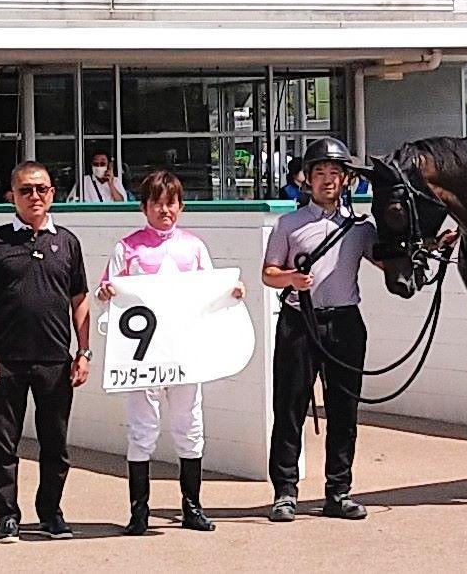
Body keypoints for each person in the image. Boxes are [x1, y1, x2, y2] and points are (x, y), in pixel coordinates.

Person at [96, 170, 245, 536]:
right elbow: (108, 292)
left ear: (181, 206)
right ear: (144, 207)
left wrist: (232, 291)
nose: (165, 210)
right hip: (142, 358)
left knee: (189, 427)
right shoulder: (127, 247)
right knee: (141, 430)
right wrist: (105, 295)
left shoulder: (194, 247)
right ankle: (139, 512)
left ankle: (192, 507)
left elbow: (212, 293)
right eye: (157, 203)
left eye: (171, 203)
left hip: (184, 354)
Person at [0, 161, 90, 543]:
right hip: (5, 360)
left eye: (41, 189)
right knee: (3, 443)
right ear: (13, 196)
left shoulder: (68, 243)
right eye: (26, 190)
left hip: (55, 360)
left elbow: (80, 300)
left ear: (53, 193)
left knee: (55, 443)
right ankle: (7, 516)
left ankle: (51, 513)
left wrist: (84, 351)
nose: (34, 196)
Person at [262, 137, 378, 522]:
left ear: (345, 179)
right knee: (290, 406)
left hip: (345, 322)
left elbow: (387, 260)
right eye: (320, 173)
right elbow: (268, 274)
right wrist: (291, 279)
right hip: (300, 322)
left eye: (334, 173)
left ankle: (339, 489)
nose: (327, 180)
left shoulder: (360, 228)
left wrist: (429, 243)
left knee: (345, 410)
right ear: (307, 180)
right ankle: (284, 490)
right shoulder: (289, 224)